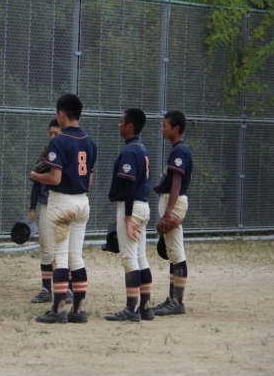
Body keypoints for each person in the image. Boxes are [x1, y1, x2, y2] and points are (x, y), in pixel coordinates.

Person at [29, 94, 97, 324]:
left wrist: (36, 175)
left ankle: (58, 310)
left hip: (61, 201)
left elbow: (55, 178)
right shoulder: (89, 142)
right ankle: (79, 310)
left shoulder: (59, 141)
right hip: (82, 202)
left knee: (59, 256)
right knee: (76, 257)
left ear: (61, 114)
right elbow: (89, 182)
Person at [104, 108, 154, 322]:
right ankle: (146, 308)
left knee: (129, 258)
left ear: (130, 126)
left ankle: (131, 310)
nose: (119, 124)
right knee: (141, 257)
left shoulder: (130, 151)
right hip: (142, 206)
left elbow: (129, 185)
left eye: (121, 121)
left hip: (132, 207)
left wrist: (126, 217)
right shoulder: (141, 148)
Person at [27, 119, 73, 305]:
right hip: (46, 204)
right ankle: (46, 288)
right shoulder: (45, 154)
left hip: (63, 203)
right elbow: (36, 186)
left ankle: (68, 288)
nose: (52, 137)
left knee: (64, 248)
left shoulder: (69, 153)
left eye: (56, 133)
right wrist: (32, 208)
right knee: (46, 246)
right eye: (50, 133)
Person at [151, 110, 192, 316]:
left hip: (173, 203)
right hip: (170, 202)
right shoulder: (177, 149)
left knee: (176, 253)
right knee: (173, 253)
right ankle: (172, 298)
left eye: (165, 125)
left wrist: (168, 213)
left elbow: (176, 182)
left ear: (176, 128)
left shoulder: (180, 151)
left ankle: (177, 302)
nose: (162, 128)